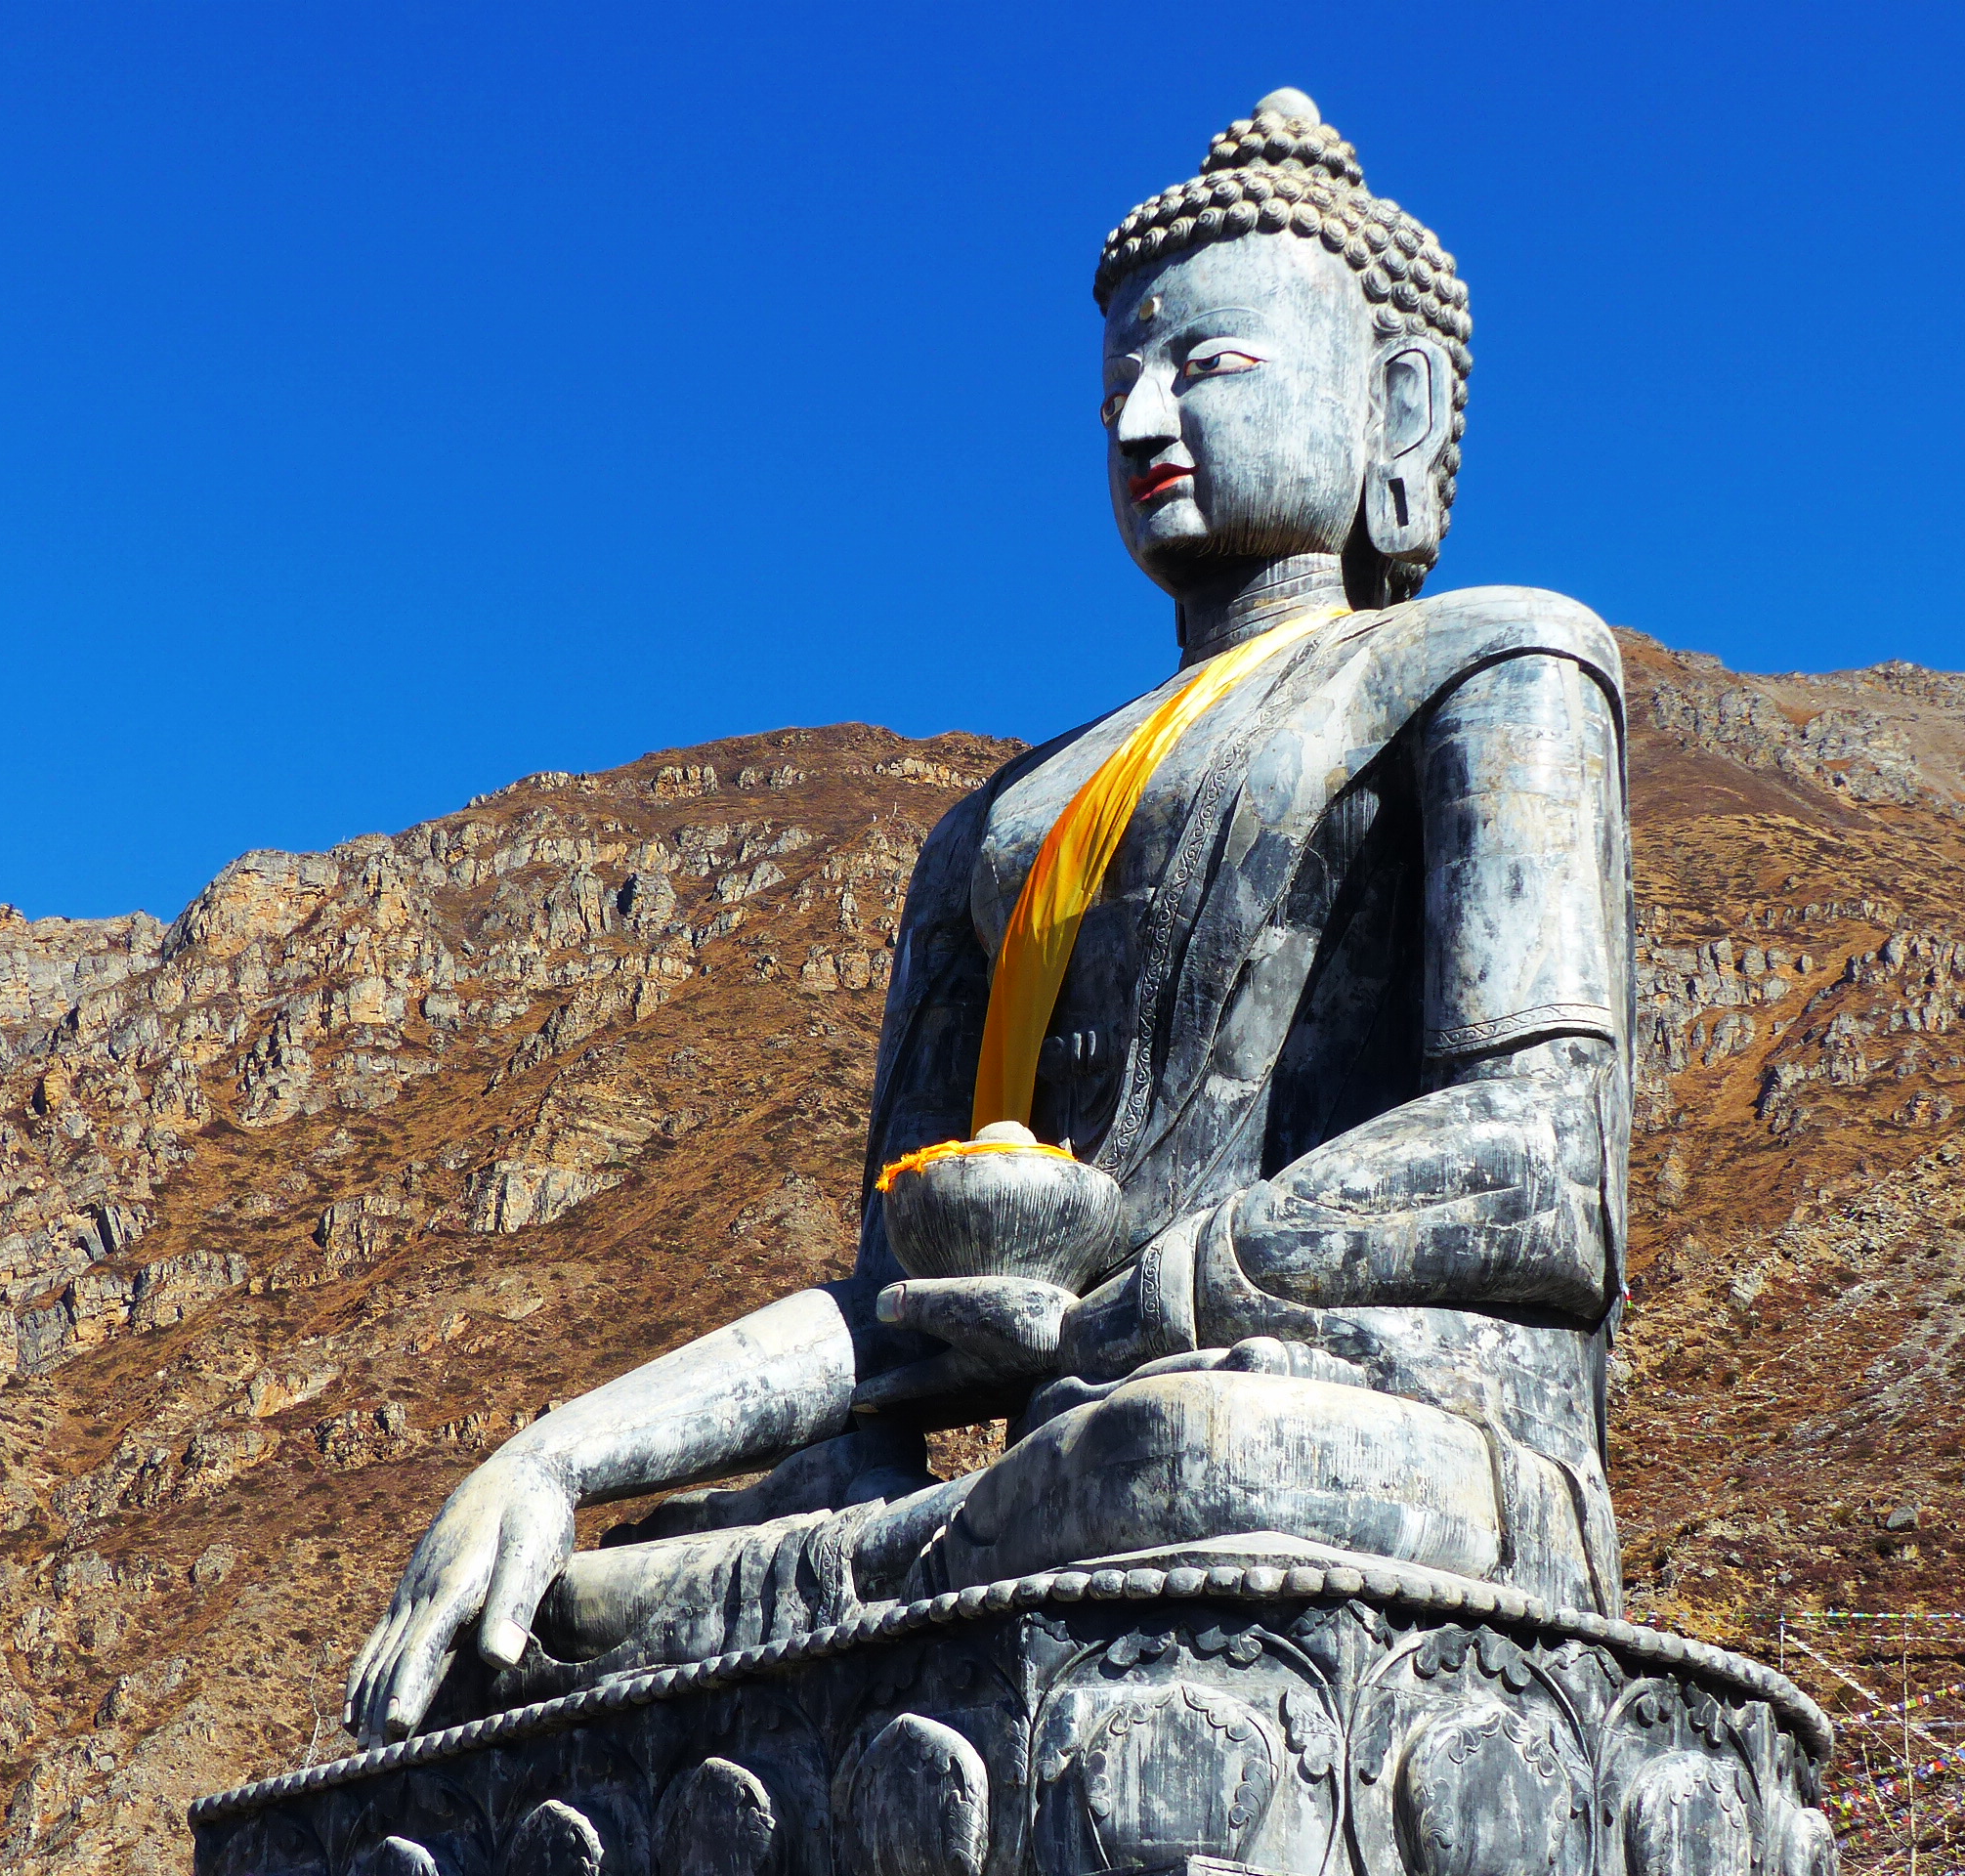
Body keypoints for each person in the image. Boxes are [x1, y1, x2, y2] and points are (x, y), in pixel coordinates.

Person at [347, 89, 1632, 1747]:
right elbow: (897, 1302)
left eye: (1211, 365)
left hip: (1355, 1426)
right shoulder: (999, 824)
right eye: (1116, 389)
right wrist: (556, 1452)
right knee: (547, 1615)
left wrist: (1122, 1309)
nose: (1142, 420)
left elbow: (1541, 1167)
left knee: (1175, 1462)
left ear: (1399, 403)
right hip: (1048, 1471)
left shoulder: (1498, 662)